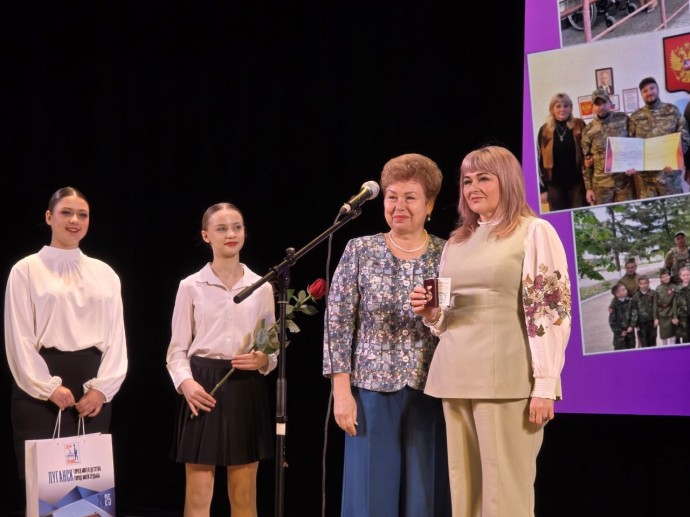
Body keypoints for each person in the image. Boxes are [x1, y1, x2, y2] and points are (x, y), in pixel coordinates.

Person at [409, 145, 571, 516]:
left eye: (483, 178)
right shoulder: (457, 241)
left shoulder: (534, 231)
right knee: (464, 490)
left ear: (508, 182)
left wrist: (545, 385)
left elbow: (549, 312)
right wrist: (431, 312)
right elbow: (444, 320)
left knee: (504, 494)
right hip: (455, 375)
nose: (473, 187)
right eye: (467, 181)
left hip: (506, 380)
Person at [323, 153, 451, 517]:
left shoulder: (446, 254)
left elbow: (456, 322)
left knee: (424, 496)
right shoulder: (359, 250)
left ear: (429, 204)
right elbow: (337, 325)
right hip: (370, 396)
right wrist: (341, 393)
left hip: (431, 391)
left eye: (410, 197)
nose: (398, 206)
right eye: (392, 197)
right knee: (371, 497)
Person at [4, 186, 128, 482]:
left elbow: (117, 339)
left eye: (82, 215)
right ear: (49, 217)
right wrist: (47, 387)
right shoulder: (26, 270)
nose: (75, 220)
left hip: (91, 392)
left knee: (88, 489)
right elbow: (19, 337)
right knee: (43, 490)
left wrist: (102, 389)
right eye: (66, 213)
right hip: (38, 391)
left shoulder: (105, 273)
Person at [166, 202, 276, 516]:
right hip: (203, 387)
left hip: (244, 385)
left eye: (237, 227)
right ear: (206, 235)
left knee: (243, 495)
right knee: (199, 494)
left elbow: (271, 346)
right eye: (222, 228)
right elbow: (176, 350)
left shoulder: (262, 287)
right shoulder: (191, 286)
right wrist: (186, 384)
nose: (231, 234)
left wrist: (263, 360)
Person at [629, 76, 690, 199]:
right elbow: (630, 144)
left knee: (674, 208)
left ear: (657, 89)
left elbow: (684, 137)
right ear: (641, 94)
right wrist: (630, 163)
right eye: (645, 91)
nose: (649, 93)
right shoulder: (636, 116)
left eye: (652, 88)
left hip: (669, 176)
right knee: (650, 210)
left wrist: (675, 160)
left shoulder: (672, 110)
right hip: (646, 181)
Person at [581, 88, 635, 205]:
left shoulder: (623, 119)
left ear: (610, 103)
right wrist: (589, 188)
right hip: (601, 185)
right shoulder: (588, 130)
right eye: (597, 104)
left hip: (624, 183)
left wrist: (633, 164)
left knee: (627, 214)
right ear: (593, 107)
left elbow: (634, 145)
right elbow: (586, 163)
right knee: (603, 215)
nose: (601, 107)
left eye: (604, 102)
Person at [536, 92, 587, 211]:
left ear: (571, 108)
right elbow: (539, 160)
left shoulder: (579, 125)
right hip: (554, 186)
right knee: (559, 217)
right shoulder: (544, 130)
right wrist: (542, 189)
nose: (562, 109)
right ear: (552, 109)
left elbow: (587, 151)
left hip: (577, 184)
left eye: (566, 106)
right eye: (558, 106)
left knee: (580, 214)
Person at [631, 274, 658, 348]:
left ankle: (653, 354)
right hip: (641, 323)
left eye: (645, 283)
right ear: (638, 284)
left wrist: (656, 318)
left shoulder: (653, 293)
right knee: (644, 342)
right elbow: (634, 311)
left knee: (652, 341)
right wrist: (636, 324)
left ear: (649, 283)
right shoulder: (636, 296)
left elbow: (656, 307)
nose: (644, 285)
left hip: (651, 322)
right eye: (641, 284)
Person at [655, 268, 678, 346]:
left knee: (672, 336)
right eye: (663, 277)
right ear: (660, 278)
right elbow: (655, 304)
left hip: (671, 314)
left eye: (667, 275)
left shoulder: (674, 287)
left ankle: (673, 350)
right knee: (663, 336)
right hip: (662, 315)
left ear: (670, 276)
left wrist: (675, 316)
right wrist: (656, 318)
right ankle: (664, 350)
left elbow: (675, 303)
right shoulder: (658, 288)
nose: (665, 278)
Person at [608, 283, 635, 350]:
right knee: (620, 351)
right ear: (617, 294)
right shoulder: (613, 305)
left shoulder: (630, 301)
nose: (626, 290)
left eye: (625, 289)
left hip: (630, 332)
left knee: (631, 349)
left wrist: (631, 325)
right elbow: (612, 321)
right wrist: (620, 331)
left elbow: (634, 314)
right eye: (623, 290)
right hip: (619, 335)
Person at [674, 266, 690, 343]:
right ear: (680, 276)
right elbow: (675, 304)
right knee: (685, 337)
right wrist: (675, 316)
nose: (686, 277)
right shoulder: (677, 289)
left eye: (688, 275)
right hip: (683, 318)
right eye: (683, 275)